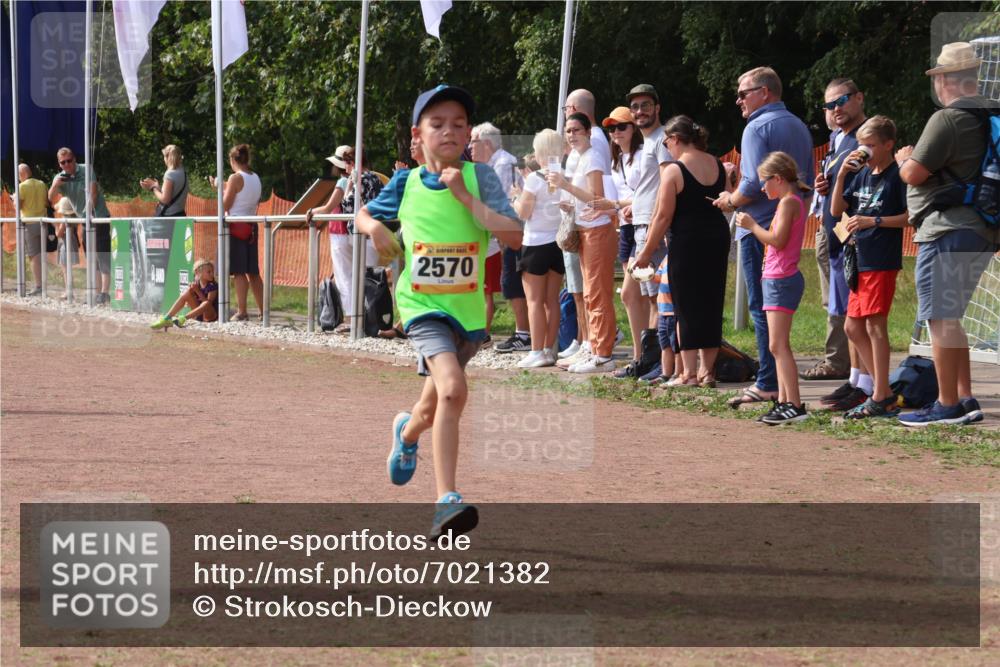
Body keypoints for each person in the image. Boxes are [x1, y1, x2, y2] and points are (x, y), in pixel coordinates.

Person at [356, 84, 523, 539]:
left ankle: (407, 434)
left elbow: (514, 237)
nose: (449, 131)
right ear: (419, 133)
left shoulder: (480, 177)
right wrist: (374, 230)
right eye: (437, 123)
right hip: (421, 306)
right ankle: (446, 501)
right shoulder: (405, 182)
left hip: (467, 314)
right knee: (453, 390)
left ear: (469, 132)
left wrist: (466, 200)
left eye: (458, 123)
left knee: (433, 408)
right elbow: (363, 215)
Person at [896, 43, 999, 426]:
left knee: (940, 317)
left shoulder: (948, 119)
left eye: (938, 77)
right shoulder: (988, 115)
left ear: (946, 80)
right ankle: (965, 398)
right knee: (952, 317)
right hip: (981, 228)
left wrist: (904, 158)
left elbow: (914, 174)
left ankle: (947, 403)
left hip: (947, 228)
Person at [712, 67, 814, 408]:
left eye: (744, 93)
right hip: (789, 226)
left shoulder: (756, 126)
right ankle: (781, 389)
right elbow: (807, 180)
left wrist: (729, 201)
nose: (739, 100)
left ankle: (769, 383)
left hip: (761, 229)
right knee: (774, 319)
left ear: (765, 92)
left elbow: (753, 183)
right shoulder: (799, 125)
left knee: (761, 310)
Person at [828, 116, 908, 418]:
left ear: (889, 145)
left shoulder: (895, 176)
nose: (866, 150)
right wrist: (840, 177)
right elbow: (837, 210)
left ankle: (880, 393)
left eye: (872, 145)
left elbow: (909, 217)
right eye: (863, 145)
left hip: (880, 259)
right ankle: (882, 389)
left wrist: (874, 221)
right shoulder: (862, 174)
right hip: (858, 259)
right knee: (852, 326)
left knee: (875, 326)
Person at [801, 79, 868, 394]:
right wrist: (824, 186)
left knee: (846, 299)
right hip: (831, 227)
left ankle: (842, 364)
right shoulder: (837, 138)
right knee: (835, 297)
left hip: (849, 231)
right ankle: (847, 365)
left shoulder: (866, 137)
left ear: (859, 98)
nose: (836, 109)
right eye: (829, 105)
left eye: (841, 101)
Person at [735, 152, 812, 425]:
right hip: (776, 278)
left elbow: (777, 240)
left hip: (781, 279)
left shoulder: (789, 202)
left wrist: (752, 225)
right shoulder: (788, 202)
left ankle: (794, 404)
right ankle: (785, 401)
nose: (762, 188)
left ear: (778, 178)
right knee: (776, 345)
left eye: (764, 182)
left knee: (778, 345)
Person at [655, 115, 730, 387]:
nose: (667, 148)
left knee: (685, 306)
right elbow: (728, 200)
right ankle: (707, 371)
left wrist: (645, 252)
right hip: (717, 237)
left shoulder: (674, 170)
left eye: (666, 143)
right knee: (711, 302)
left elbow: (663, 217)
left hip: (686, 240)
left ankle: (687, 372)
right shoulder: (717, 163)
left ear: (675, 139)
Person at [548, 113, 617, 373]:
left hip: (598, 231)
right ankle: (592, 346)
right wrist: (569, 202)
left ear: (588, 132)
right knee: (588, 293)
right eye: (568, 131)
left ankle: (604, 353)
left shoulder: (593, 157)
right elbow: (584, 199)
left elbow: (598, 198)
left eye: (576, 130)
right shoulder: (578, 157)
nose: (572, 135)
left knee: (597, 293)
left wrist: (566, 185)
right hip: (586, 229)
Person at [623, 84, 673, 380]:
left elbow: (668, 181)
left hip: (653, 229)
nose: (640, 111)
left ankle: (655, 363)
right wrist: (635, 205)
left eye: (645, 105)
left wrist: (659, 221)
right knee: (642, 295)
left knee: (656, 300)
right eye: (636, 107)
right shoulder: (648, 142)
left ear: (657, 108)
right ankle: (646, 359)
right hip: (641, 225)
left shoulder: (661, 140)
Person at [587, 106, 643, 368]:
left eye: (622, 126)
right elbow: (614, 202)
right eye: (612, 128)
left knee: (632, 294)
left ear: (634, 128)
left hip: (644, 227)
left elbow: (648, 195)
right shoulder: (615, 161)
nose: (616, 132)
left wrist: (616, 204)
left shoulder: (642, 157)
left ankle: (644, 355)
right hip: (626, 229)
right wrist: (606, 207)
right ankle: (641, 354)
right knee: (637, 295)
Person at [472, 122, 529, 353]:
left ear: (486, 143)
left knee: (513, 284)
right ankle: (523, 333)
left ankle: (524, 334)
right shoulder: (497, 163)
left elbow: (501, 202)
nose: (469, 146)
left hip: (514, 233)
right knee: (511, 284)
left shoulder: (503, 164)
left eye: (473, 141)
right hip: (509, 232)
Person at [514, 129, 566, 368]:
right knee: (551, 300)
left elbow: (523, 213)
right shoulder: (564, 176)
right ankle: (548, 348)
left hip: (535, 243)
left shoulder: (534, 178)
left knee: (534, 301)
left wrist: (515, 197)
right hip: (558, 243)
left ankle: (536, 351)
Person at [306, 145, 369, 333]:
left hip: (340, 233)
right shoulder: (354, 179)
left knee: (344, 276)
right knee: (355, 275)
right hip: (351, 232)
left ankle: (351, 318)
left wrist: (311, 211)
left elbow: (328, 208)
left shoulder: (343, 182)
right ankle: (361, 316)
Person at [47, 147, 113, 304]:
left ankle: (105, 292)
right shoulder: (60, 177)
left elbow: (93, 193)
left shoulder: (86, 169)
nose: (67, 164)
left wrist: (88, 214)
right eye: (63, 162)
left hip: (98, 217)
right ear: (59, 164)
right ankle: (97, 293)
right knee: (91, 256)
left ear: (74, 159)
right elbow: (49, 198)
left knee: (102, 254)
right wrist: (55, 185)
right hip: (84, 220)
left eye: (69, 160)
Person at [210, 143, 262, 321]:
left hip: (235, 226)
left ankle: (242, 311)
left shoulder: (235, 178)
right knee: (253, 272)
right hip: (251, 225)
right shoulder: (255, 177)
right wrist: (221, 185)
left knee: (239, 271)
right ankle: (264, 311)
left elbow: (225, 204)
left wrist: (219, 190)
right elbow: (239, 190)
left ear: (233, 160)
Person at [149, 258, 219, 329]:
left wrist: (197, 291)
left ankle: (183, 318)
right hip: (199, 316)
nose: (212, 274)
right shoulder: (196, 284)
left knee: (206, 303)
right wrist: (191, 296)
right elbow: (189, 298)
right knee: (187, 293)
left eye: (212, 271)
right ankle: (167, 318)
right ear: (197, 272)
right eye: (209, 272)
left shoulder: (212, 286)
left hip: (210, 317)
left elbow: (208, 305)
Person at [17, 164, 50, 295]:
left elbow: (18, 207)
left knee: (33, 256)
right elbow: (47, 202)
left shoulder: (22, 186)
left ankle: (38, 286)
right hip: (43, 222)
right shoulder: (42, 184)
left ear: (22, 174)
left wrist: (14, 199)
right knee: (42, 254)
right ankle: (44, 283)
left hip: (29, 223)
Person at [140, 144, 189, 217]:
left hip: (169, 217)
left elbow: (165, 199)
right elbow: (172, 194)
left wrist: (153, 188)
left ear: (167, 157)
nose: (163, 160)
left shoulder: (170, 174)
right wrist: (157, 187)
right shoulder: (183, 172)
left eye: (164, 157)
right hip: (180, 214)